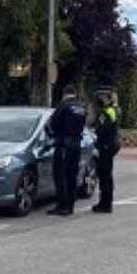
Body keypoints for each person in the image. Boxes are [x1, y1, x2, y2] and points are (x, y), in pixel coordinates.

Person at [45, 85, 86, 216]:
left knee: (61, 176)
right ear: (74, 93)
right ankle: (70, 206)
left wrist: (54, 135)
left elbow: (52, 124)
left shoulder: (62, 106)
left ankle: (62, 206)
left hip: (63, 145)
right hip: (76, 144)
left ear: (64, 94)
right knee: (72, 176)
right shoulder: (81, 107)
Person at [93, 86, 120, 213]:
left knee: (104, 175)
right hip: (111, 144)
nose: (99, 99)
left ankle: (105, 204)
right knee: (107, 175)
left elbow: (102, 130)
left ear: (106, 97)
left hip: (106, 146)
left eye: (101, 96)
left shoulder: (107, 111)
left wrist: (98, 145)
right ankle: (106, 202)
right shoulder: (114, 109)